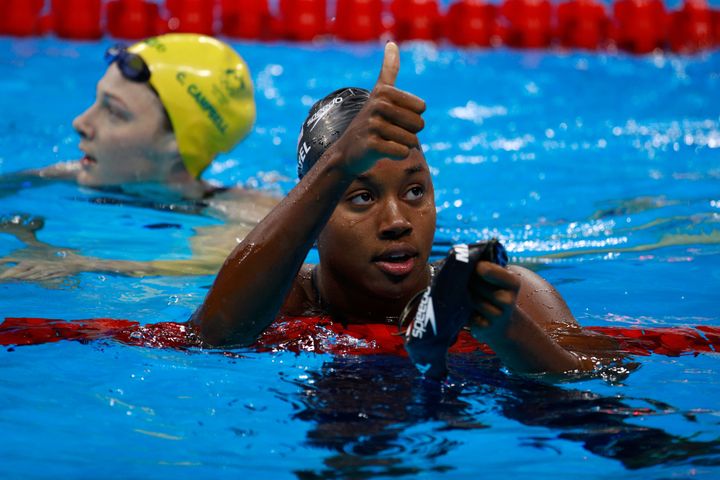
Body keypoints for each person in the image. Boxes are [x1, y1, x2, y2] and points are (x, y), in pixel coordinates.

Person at [189, 42, 617, 375]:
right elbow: (215, 337)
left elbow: (600, 380)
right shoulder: (281, 296)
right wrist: (338, 163)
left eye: (414, 192)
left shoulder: (509, 293)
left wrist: (507, 331)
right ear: (314, 216)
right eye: (361, 197)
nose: (397, 222)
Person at [0, 33, 277, 281]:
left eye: (115, 112)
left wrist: (78, 263)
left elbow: (207, 265)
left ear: (176, 142)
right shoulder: (61, 175)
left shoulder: (243, 217)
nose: (80, 122)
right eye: (96, 101)